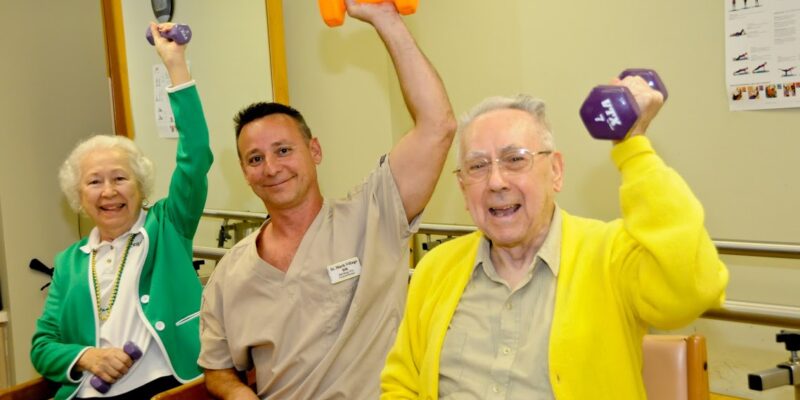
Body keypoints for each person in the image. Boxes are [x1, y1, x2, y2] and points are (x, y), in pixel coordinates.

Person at [380, 77, 729, 399]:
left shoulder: (609, 254)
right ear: (462, 186)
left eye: (515, 159)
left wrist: (633, 146)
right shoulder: (436, 269)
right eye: (478, 166)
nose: (496, 181)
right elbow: (401, 383)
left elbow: (692, 290)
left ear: (556, 172)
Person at [198, 0, 456, 398]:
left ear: (314, 151)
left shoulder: (373, 216)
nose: (271, 167)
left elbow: (437, 125)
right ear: (245, 173)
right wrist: (236, 393)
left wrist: (384, 18)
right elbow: (217, 369)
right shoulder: (230, 275)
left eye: (284, 150)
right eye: (255, 158)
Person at [30, 23, 212, 399]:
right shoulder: (69, 262)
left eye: (120, 178)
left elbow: (195, 155)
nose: (109, 191)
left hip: (165, 387)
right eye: (95, 182)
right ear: (79, 197)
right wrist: (87, 357)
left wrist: (174, 64)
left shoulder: (168, 226)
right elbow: (42, 346)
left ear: (141, 187)